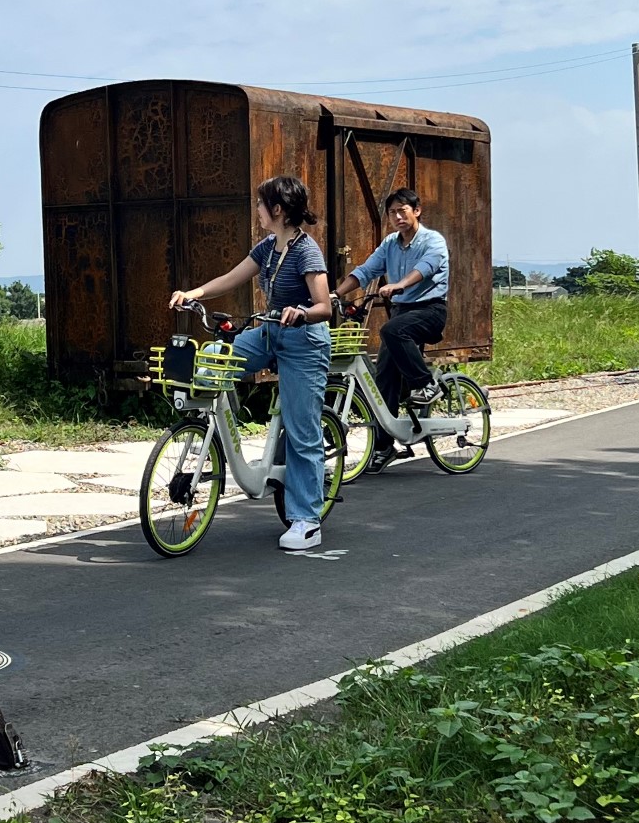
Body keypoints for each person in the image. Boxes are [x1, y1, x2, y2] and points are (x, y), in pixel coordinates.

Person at [171, 174, 332, 553]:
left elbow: (324, 307)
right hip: (269, 332)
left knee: (301, 431)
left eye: (261, 204)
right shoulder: (268, 247)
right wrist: (193, 293)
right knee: (212, 359)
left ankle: (307, 520)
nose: (257, 210)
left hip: (304, 341)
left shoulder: (307, 252)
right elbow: (231, 278)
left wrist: (301, 313)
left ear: (277, 210)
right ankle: (212, 434)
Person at [339, 186, 450, 440]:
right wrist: (336, 293)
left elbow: (426, 267)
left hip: (430, 310)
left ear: (417, 211)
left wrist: (399, 284)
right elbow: (366, 271)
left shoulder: (433, 241)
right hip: (402, 312)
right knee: (384, 378)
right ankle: (382, 446)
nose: (398, 217)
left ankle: (426, 384)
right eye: (392, 213)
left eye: (403, 211)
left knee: (391, 329)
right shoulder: (390, 243)